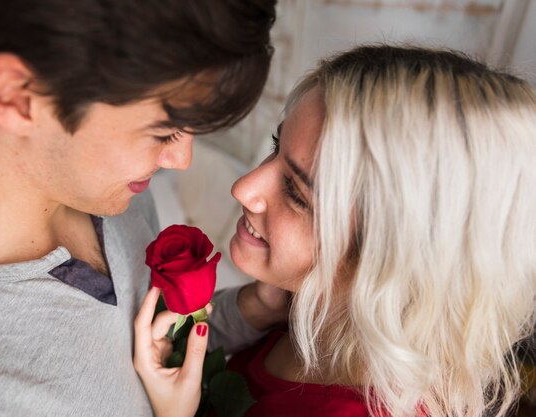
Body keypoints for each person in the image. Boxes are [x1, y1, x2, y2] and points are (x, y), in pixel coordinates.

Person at [0, 1, 289, 416]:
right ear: (17, 97)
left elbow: (145, 358)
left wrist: (253, 309)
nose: (181, 160)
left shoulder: (111, 195)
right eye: (164, 132)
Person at [134, 45, 536, 417]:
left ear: (388, 257)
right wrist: (251, 308)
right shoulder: (301, 308)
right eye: (276, 147)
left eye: (296, 192)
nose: (244, 188)